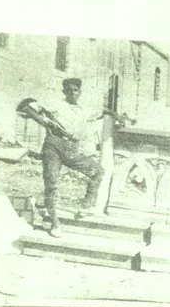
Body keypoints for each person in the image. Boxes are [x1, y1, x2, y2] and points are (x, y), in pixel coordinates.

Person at [29, 75, 110, 235]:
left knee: (98, 171)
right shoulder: (56, 105)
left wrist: (117, 115)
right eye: (69, 90)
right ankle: (55, 224)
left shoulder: (84, 110)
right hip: (53, 146)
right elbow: (29, 107)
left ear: (80, 92)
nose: (72, 93)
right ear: (64, 92)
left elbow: (102, 112)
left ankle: (86, 205)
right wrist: (45, 122)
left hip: (71, 149)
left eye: (75, 90)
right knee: (51, 184)